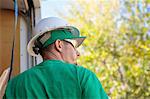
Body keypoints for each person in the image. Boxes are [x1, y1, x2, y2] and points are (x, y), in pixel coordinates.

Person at [4, 17, 108, 99]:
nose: (78, 53)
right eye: (73, 46)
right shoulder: (82, 76)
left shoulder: (14, 85)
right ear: (59, 44)